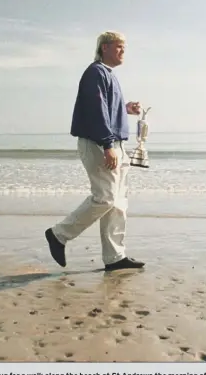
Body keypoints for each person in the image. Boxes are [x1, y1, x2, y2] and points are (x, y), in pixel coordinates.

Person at [45, 31, 145, 272]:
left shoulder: (108, 75)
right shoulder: (95, 72)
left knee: (119, 203)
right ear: (105, 48)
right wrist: (107, 144)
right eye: (119, 47)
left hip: (116, 144)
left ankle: (115, 257)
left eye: (124, 47)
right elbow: (95, 110)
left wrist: (125, 107)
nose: (123, 52)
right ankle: (59, 234)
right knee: (105, 198)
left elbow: (107, 105)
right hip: (100, 144)